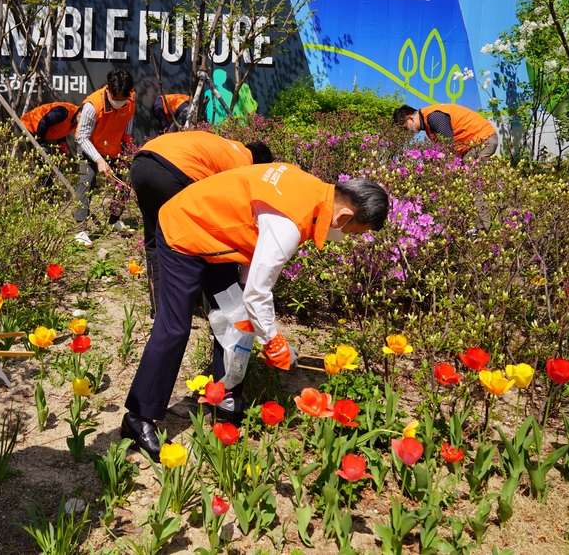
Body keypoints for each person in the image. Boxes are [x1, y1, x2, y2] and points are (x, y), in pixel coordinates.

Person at [121, 166, 388, 460]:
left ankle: (225, 399)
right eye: (352, 233)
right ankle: (138, 417)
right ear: (344, 217)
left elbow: (254, 265)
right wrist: (272, 341)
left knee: (237, 318)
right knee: (174, 327)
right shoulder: (291, 221)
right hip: (185, 229)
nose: (347, 237)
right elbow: (258, 291)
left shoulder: (313, 193)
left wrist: (256, 323)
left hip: (220, 236)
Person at [130, 131, 273, 317]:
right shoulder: (244, 164)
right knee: (209, 239)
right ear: (259, 165)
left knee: (155, 241)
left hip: (142, 162)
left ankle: (158, 311)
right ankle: (226, 307)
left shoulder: (228, 146)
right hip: (174, 171)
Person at [74, 69, 136, 248]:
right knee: (88, 179)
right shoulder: (92, 106)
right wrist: (99, 160)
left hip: (114, 146)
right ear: (108, 90)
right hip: (89, 146)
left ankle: (114, 220)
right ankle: (80, 229)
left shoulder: (130, 99)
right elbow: (82, 137)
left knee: (126, 180)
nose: (119, 102)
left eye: (122, 99)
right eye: (116, 99)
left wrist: (128, 148)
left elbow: (127, 125)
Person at [393, 103, 498, 158]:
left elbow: (448, 147)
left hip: (484, 138)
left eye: (405, 127)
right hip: (474, 144)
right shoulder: (427, 123)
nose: (407, 132)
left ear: (410, 119)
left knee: (470, 174)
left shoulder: (433, 117)